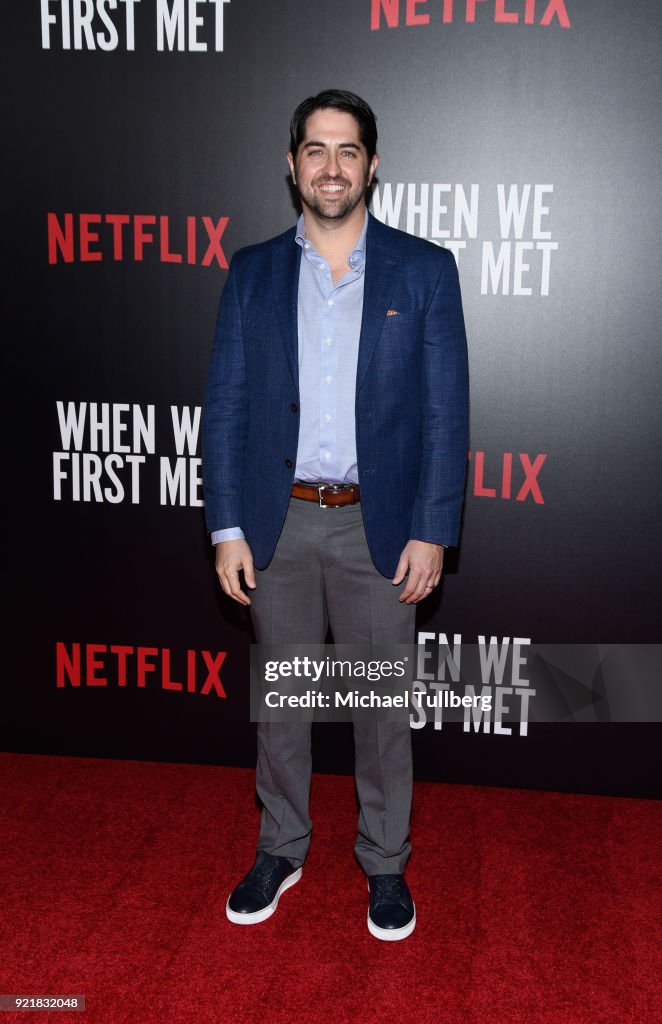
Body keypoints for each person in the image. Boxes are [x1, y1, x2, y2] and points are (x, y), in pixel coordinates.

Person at [202, 89, 469, 941]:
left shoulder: (424, 271)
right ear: (291, 166)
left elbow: (444, 412)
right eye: (314, 150)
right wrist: (227, 526)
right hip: (278, 525)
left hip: (377, 529)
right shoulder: (252, 272)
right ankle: (280, 846)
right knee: (282, 703)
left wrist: (433, 527)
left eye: (347, 150)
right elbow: (228, 405)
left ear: (372, 165)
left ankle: (385, 865)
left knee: (380, 712)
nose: (330, 166)